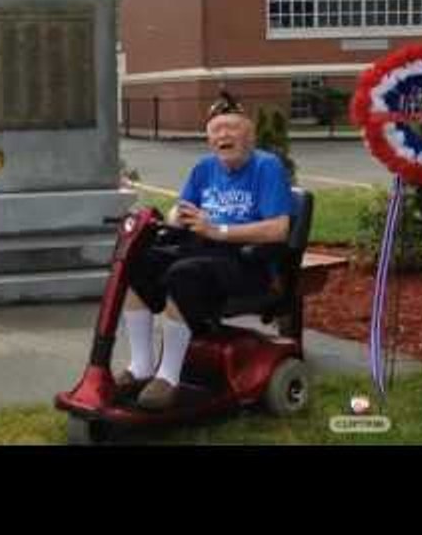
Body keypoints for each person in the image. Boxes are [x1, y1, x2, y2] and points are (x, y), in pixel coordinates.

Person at [117, 91, 294, 410]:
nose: (223, 134)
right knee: (135, 262)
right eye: (216, 130)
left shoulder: (267, 167)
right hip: (200, 248)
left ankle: (168, 376)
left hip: (246, 260)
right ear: (209, 138)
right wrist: (176, 217)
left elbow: (279, 229)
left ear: (249, 134)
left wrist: (218, 230)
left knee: (184, 274)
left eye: (232, 128)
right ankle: (141, 365)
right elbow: (181, 209)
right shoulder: (203, 168)